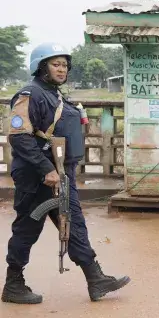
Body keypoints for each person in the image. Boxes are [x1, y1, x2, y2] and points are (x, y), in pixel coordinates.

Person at [1, 42, 131, 304]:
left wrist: (57, 171)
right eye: (55, 64)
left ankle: (95, 279)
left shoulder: (55, 94)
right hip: (37, 177)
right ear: (41, 67)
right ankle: (13, 284)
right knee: (27, 228)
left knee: (73, 225)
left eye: (64, 65)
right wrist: (46, 168)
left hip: (62, 174)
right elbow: (19, 137)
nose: (62, 69)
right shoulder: (30, 94)